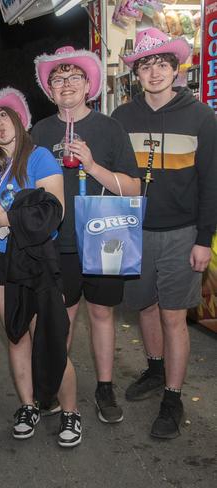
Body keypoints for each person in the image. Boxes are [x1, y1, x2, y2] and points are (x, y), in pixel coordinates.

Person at [112, 28, 217, 439]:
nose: (154, 72)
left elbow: (211, 183)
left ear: (177, 69)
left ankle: (173, 397)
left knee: (174, 315)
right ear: (136, 73)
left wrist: (202, 240)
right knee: (144, 307)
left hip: (181, 232)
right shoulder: (122, 117)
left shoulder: (203, 117)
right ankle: (155, 369)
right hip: (134, 229)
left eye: (162, 63)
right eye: (145, 65)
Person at [31, 46, 140, 427]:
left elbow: (134, 187)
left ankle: (105, 387)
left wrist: (92, 165)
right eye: (58, 79)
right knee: (62, 319)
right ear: (49, 88)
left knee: (102, 313)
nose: (66, 84)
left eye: (74, 77)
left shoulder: (109, 128)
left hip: (105, 235)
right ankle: (59, 391)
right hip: (57, 241)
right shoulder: (40, 132)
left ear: (89, 85)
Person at [0, 87, 79, 446]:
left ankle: (71, 413)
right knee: (16, 336)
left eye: (2, 116)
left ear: (16, 117)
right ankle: (28, 406)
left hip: (33, 261)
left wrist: (7, 218)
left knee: (49, 338)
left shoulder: (39, 156)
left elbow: (54, 212)